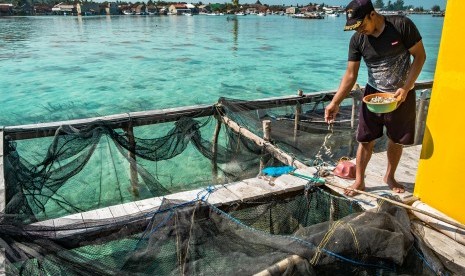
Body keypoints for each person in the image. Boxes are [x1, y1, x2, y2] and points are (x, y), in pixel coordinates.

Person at [324, 0, 426, 196]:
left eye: (361, 25)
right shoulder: (357, 40)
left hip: (401, 95)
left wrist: (406, 88)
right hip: (373, 94)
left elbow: (420, 57)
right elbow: (350, 75)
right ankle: (360, 181)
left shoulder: (401, 25)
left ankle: (389, 176)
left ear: (372, 14)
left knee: (396, 140)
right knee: (365, 140)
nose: (360, 30)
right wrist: (335, 102)